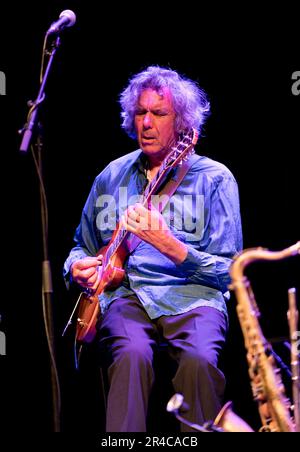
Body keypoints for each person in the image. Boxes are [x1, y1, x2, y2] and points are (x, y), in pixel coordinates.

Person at [63, 65, 243, 432]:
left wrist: (173, 247)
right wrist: (77, 267)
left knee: (198, 360)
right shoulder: (111, 176)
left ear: (181, 121)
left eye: (158, 113)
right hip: (129, 296)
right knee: (130, 354)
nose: (146, 122)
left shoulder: (215, 178)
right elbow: (81, 245)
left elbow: (230, 272)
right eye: (140, 112)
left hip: (194, 298)